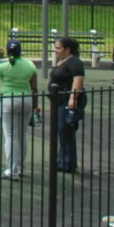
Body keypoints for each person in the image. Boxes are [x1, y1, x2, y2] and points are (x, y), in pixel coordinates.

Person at [0, 38, 39, 180]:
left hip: (8, 100)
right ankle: (20, 168)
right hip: (26, 100)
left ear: (8, 52)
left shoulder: (4, 65)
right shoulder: (30, 65)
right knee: (22, 135)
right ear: (21, 51)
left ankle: (11, 170)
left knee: (10, 136)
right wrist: (35, 106)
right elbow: (34, 88)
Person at [49, 35, 87, 173]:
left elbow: (78, 80)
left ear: (67, 49)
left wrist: (73, 98)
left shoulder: (74, 62)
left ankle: (67, 162)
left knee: (66, 130)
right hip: (59, 101)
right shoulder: (64, 61)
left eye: (58, 48)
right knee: (62, 131)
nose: (56, 50)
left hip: (67, 101)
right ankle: (63, 159)